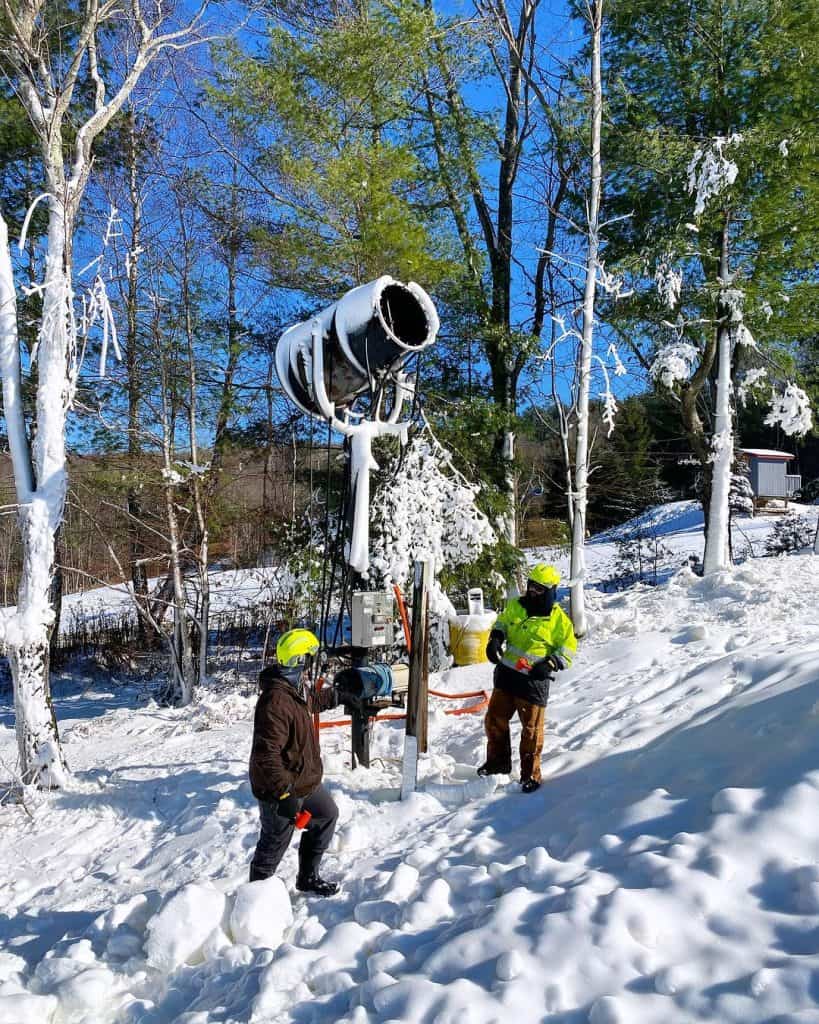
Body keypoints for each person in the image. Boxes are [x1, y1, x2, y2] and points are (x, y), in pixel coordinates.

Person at [248, 628, 341, 896]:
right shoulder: (275, 701)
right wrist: (284, 792)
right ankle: (253, 904)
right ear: (300, 660)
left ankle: (308, 878)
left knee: (326, 815)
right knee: (273, 845)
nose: (312, 665)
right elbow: (266, 755)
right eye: (309, 659)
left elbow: (311, 702)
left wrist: (340, 694)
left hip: (303, 781)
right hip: (279, 789)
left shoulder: (293, 688)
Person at [478, 563, 577, 793]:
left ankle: (530, 775)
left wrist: (551, 663)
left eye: (539, 589)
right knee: (494, 721)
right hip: (506, 677)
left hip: (533, 683)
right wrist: (496, 638)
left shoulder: (559, 621)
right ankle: (497, 764)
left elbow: (569, 649)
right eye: (531, 586)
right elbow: (502, 622)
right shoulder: (516, 606)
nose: (533, 592)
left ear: (551, 591)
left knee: (531, 732)